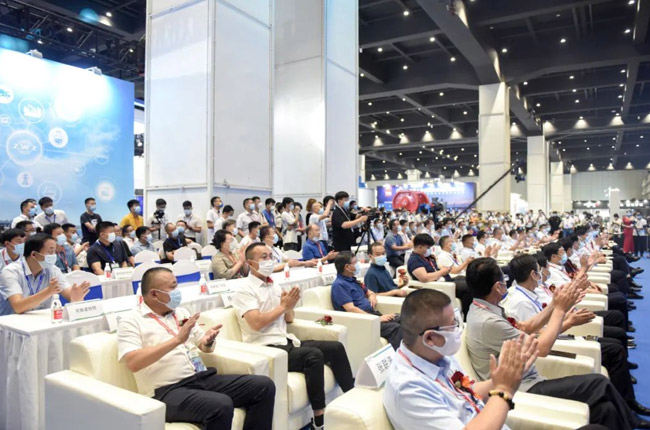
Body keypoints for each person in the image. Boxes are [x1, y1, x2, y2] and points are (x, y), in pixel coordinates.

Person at [464, 257, 647, 429]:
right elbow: (542, 349)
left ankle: (630, 419)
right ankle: (632, 419)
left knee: (605, 409)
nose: (506, 282)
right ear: (497, 287)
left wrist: (556, 303)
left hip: (529, 377)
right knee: (599, 383)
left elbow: (526, 327)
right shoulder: (488, 321)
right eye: (504, 279)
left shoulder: (484, 310)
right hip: (522, 387)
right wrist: (560, 310)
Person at [117, 267, 275, 430]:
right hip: (167, 391)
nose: (177, 291)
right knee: (221, 405)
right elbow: (133, 362)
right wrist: (176, 340)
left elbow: (204, 346)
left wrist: (208, 341)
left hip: (200, 378)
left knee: (264, 386)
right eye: (172, 287)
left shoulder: (180, 312)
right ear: (154, 294)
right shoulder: (131, 321)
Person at [233, 243, 355, 430]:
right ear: (250, 263)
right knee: (313, 355)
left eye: (270, 256)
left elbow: (288, 319)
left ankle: (352, 398)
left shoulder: (273, 284)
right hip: (266, 347)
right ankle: (319, 419)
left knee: (335, 348)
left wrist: (288, 306)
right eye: (263, 257)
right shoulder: (245, 289)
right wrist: (283, 306)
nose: (269, 260)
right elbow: (256, 322)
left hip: (285, 340)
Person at [383, 288, 538, 430]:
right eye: (453, 325)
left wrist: (503, 378)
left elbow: (466, 392)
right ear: (430, 338)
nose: (458, 330)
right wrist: (504, 390)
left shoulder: (435, 355)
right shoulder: (409, 389)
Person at [505, 255, 643, 409]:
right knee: (615, 348)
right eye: (540, 270)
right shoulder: (520, 302)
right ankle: (627, 402)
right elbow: (538, 337)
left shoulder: (531, 291)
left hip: (559, 331)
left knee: (616, 341)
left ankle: (624, 389)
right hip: (554, 343)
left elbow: (546, 319)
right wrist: (569, 321)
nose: (545, 273)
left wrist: (567, 313)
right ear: (533, 274)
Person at [0, 233, 90, 315]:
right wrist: (48, 292)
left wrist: (76, 297)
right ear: (34, 254)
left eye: (54, 251)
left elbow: (69, 294)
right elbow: (18, 307)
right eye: (50, 252)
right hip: (12, 323)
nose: (53, 255)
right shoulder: (10, 272)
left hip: (43, 320)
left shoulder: (53, 270)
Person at [331, 251, 403, 349]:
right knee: (395, 328)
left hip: (372, 314)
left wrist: (372, 295)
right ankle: (398, 356)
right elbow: (351, 309)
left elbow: (369, 291)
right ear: (347, 267)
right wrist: (377, 319)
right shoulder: (339, 285)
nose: (358, 265)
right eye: (355, 262)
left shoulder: (352, 280)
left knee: (403, 318)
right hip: (362, 321)